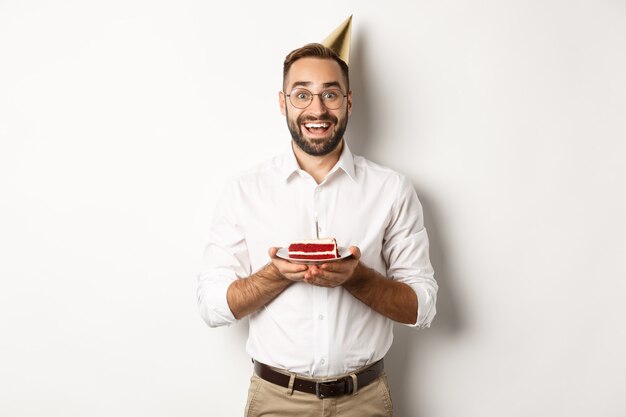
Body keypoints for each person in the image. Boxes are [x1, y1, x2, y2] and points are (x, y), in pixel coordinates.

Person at [197, 23, 437, 417]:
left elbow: (422, 307)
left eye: (330, 94)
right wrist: (276, 274)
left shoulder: (391, 189)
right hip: (276, 401)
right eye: (302, 94)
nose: (317, 109)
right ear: (283, 102)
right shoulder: (244, 190)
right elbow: (211, 306)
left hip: (365, 401)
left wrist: (357, 277)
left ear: (349, 101)